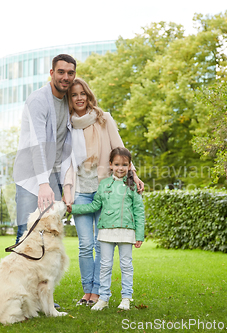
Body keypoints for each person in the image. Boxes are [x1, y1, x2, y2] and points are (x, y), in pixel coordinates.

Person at [66, 78, 144, 306]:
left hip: (104, 190)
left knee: (102, 243)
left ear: (89, 96)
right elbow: (66, 161)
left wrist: (134, 174)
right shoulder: (68, 125)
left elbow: (120, 148)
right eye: (74, 95)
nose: (79, 98)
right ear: (69, 100)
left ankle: (99, 292)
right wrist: (67, 190)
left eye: (82, 93)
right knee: (85, 245)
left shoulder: (104, 118)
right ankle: (87, 291)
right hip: (80, 189)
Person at [67, 147, 145, 311]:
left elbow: (139, 211)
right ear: (110, 165)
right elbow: (95, 206)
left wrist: (139, 235)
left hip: (126, 232)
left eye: (124, 164)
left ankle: (126, 298)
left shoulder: (132, 186)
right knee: (105, 266)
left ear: (130, 166)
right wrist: (73, 209)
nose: (120, 168)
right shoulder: (103, 185)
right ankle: (103, 297)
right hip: (106, 232)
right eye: (117, 164)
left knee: (126, 265)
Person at [13, 54, 76, 244]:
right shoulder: (38, 100)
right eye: (61, 72)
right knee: (27, 230)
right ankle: (18, 273)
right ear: (52, 73)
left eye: (70, 73)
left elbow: (67, 146)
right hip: (30, 176)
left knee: (50, 232)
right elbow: (38, 144)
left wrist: (67, 186)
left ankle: (42, 274)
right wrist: (43, 184)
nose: (65, 77)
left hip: (54, 175)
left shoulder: (68, 101)